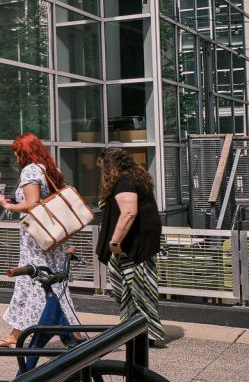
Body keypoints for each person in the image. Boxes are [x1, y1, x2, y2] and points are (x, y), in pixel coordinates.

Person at [0, 133, 80, 347]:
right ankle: (73, 333)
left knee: (35, 281)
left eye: (16, 152)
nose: (15, 157)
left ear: (24, 152)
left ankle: (16, 336)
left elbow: (32, 203)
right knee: (53, 283)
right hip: (53, 236)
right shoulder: (50, 169)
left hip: (36, 239)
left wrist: (8, 205)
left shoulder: (30, 170)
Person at [96, 147, 166, 348]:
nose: (101, 172)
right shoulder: (135, 177)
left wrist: (114, 242)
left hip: (132, 245)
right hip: (139, 242)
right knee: (135, 287)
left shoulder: (124, 181)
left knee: (135, 287)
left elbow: (128, 213)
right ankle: (136, 330)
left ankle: (144, 331)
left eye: (102, 167)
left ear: (110, 166)